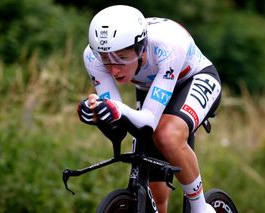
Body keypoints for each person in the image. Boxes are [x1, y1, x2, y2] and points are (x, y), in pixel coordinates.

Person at [77, 5, 221, 213]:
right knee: (157, 195)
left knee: (167, 135)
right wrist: (98, 113)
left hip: (192, 78)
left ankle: (201, 208)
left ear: (141, 48)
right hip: (151, 87)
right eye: (106, 59)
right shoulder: (92, 56)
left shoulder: (167, 45)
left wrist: (116, 109)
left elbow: (147, 122)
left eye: (122, 58)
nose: (114, 69)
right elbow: (118, 123)